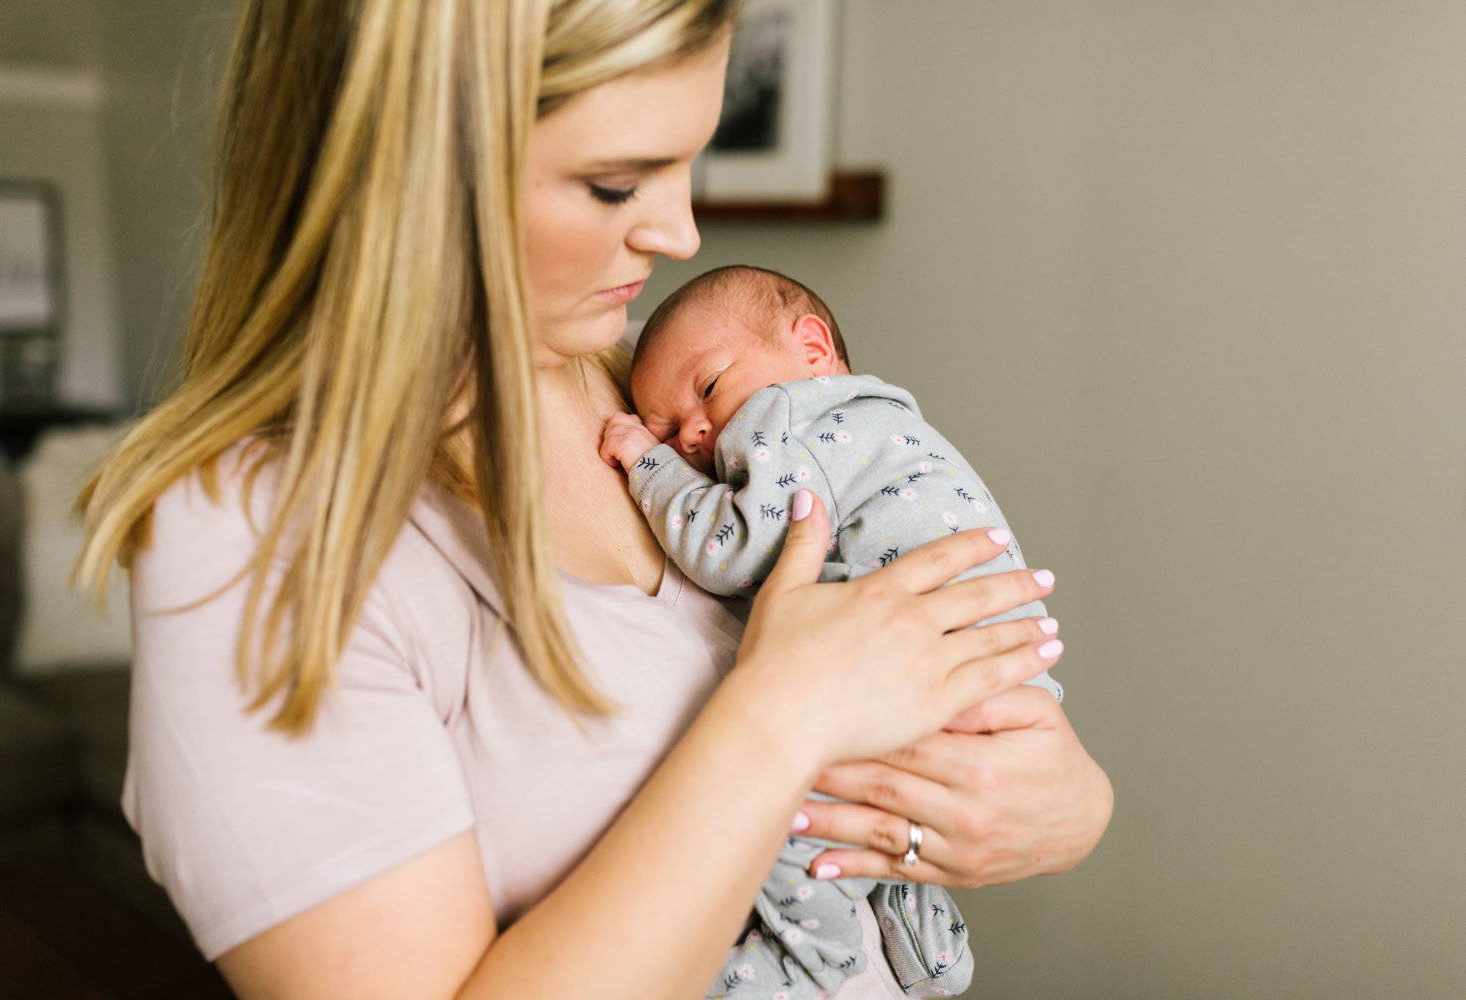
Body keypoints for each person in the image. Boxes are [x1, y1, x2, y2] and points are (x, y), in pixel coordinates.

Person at [74, 2, 1113, 998]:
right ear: (417, 165)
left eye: (687, 162)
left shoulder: (653, 401)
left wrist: (1064, 806)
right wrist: (779, 713)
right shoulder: (255, 544)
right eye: (618, 185)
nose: (680, 233)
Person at [600, 265, 1062, 997]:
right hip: (998, 683)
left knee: (787, 833)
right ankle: (930, 952)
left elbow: (735, 549)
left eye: (709, 387)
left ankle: (818, 964)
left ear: (813, 349)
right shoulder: (884, 427)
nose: (692, 432)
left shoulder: (792, 419)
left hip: (936, 679)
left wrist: (651, 464)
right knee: (884, 816)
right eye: (667, 430)